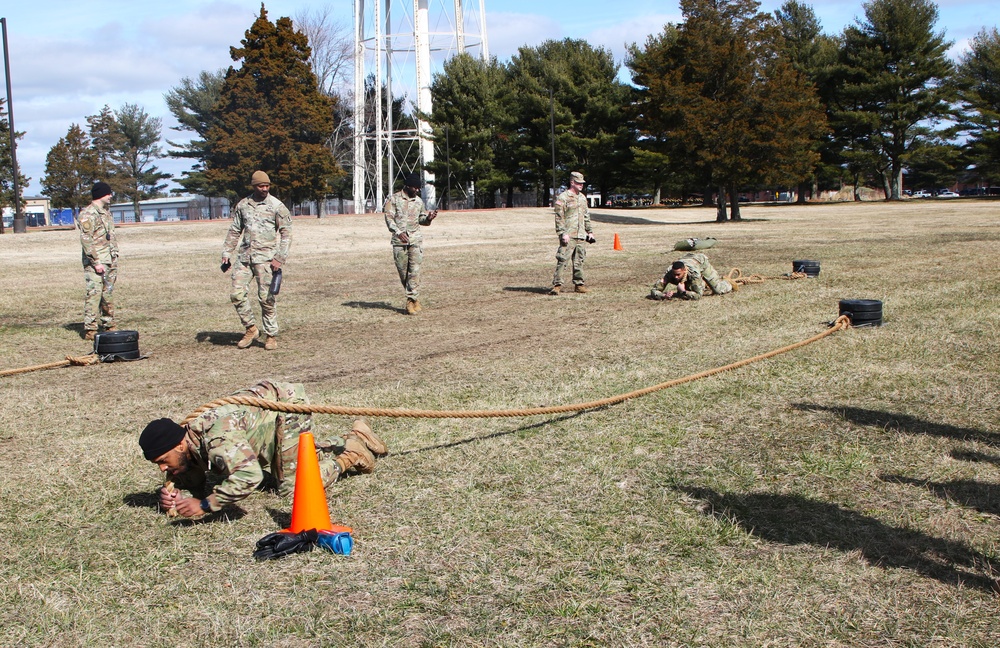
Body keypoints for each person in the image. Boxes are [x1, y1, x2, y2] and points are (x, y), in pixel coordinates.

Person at [138, 379, 388, 518]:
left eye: (163, 459)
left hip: (286, 408)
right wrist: (178, 496)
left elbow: (250, 476)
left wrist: (204, 505)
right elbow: (191, 472)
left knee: (293, 487)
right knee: (286, 463)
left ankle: (351, 453)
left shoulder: (216, 439)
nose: (163, 467)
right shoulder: (187, 443)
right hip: (264, 418)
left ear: (180, 444)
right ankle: (351, 436)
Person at [221, 171, 292, 351]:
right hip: (244, 258)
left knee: (266, 299)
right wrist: (227, 252)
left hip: (266, 260)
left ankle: (271, 335)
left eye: (267, 186)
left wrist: (279, 257)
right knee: (236, 295)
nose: (265, 189)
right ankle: (251, 329)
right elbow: (235, 230)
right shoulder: (243, 205)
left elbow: (286, 233)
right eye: (261, 186)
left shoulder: (277, 206)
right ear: (254, 186)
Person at [384, 172, 437, 314]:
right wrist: (398, 232)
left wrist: (429, 218)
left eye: (419, 188)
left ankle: (411, 300)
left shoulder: (419, 201)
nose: (417, 190)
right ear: (408, 186)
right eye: (415, 188)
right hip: (399, 242)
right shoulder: (393, 199)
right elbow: (389, 219)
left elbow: (422, 220)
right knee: (404, 273)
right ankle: (414, 298)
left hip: (415, 240)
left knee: (415, 271)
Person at [78, 181, 119, 340]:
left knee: (107, 293)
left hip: (109, 259)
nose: (110, 196)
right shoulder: (87, 214)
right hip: (96, 261)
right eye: (108, 193)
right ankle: (90, 329)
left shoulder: (106, 213)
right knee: (94, 293)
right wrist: (96, 262)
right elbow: (86, 240)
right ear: (101, 194)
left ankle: (109, 324)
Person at [549, 171, 595, 295]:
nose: (581, 185)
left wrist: (589, 231)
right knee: (563, 259)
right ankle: (557, 285)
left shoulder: (582, 198)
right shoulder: (563, 197)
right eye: (579, 183)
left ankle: (579, 284)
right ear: (572, 182)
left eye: (582, 183)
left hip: (580, 235)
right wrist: (562, 233)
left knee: (579, 260)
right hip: (568, 234)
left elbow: (586, 215)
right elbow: (559, 217)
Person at [649, 252, 734, 301]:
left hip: (701, 262)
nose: (675, 277)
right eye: (674, 274)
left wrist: (683, 291)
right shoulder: (669, 273)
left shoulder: (694, 273)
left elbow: (698, 296)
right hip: (687, 259)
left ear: (684, 271)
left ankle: (728, 283)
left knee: (718, 290)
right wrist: (664, 295)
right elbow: (654, 290)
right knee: (689, 288)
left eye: (678, 274)